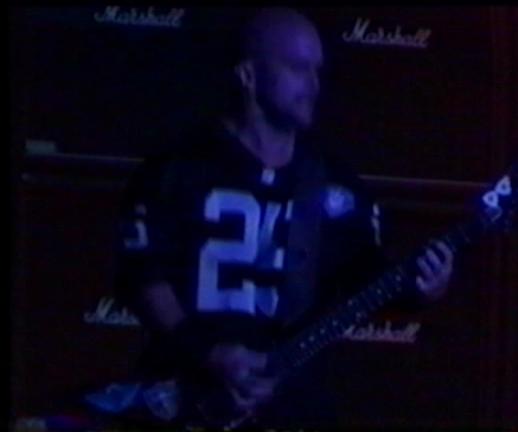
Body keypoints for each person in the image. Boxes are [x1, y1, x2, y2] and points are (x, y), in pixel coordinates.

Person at [115, 7, 453, 429]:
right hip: (186, 401)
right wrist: (208, 353)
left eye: (317, 70)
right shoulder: (176, 169)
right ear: (248, 74)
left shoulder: (335, 182)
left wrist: (423, 286)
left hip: (293, 408)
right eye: (297, 68)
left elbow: (370, 279)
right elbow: (143, 277)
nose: (313, 85)